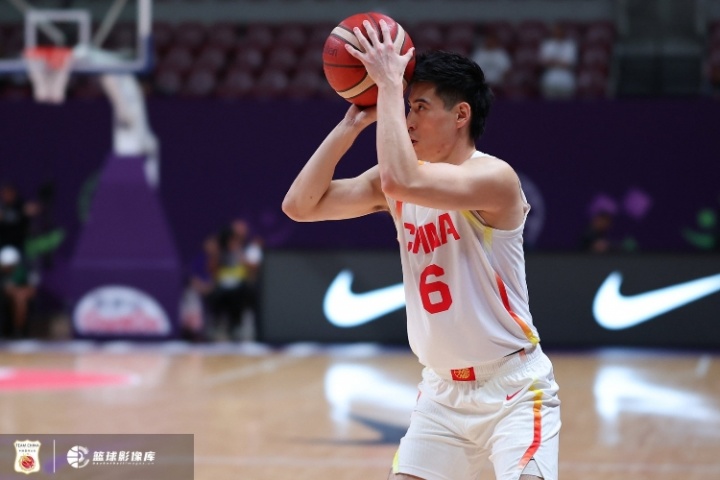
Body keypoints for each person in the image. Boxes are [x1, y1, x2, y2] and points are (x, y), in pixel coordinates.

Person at [282, 20, 560, 480]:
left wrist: (391, 85)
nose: (408, 119)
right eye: (407, 107)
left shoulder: (493, 178)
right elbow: (300, 206)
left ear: (461, 115)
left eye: (420, 107)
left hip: (511, 388)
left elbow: (402, 179)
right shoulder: (397, 183)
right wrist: (350, 125)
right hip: (441, 394)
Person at [0, 245, 39, 338]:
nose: (7, 268)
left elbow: (32, 289)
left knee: (20, 299)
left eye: (10, 266)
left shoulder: (23, 271)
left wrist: (20, 292)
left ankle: (18, 331)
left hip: (19, 296)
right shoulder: (2, 273)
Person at [538, 23, 578, 99]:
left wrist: (553, 61)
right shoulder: (547, 44)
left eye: (559, 30)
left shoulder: (570, 45)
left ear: (563, 31)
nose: (558, 32)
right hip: (550, 77)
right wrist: (560, 62)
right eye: (556, 31)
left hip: (566, 78)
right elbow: (543, 62)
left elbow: (569, 63)